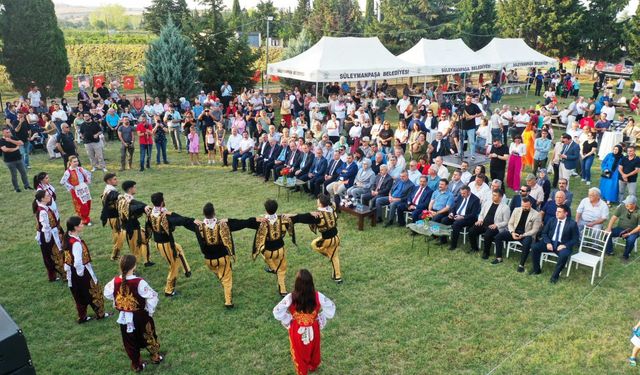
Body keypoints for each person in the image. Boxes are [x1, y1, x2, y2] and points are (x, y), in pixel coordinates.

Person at [103, 255, 163, 372]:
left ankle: (136, 364)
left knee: (129, 341)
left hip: (124, 318)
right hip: (141, 316)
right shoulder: (139, 282)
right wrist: (149, 310)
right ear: (134, 266)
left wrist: (119, 304)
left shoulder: (115, 281)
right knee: (149, 335)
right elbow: (153, 296)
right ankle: (155, 356)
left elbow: (108, 293)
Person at [273, 269, 336, 375]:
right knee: (314, 348)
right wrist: (320, 318)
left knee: (299, 352)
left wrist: (289, 320)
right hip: (313, 327)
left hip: (296, 330)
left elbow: (277, 312)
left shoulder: (290, 297)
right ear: (311, 283)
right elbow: (331, 308)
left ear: (296, 284)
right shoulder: (317, 296)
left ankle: (302, 371)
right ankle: (313, 365)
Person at [183, 203, 243, 308]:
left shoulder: (198, 226)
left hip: (209, 261)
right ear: (214, 212)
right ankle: (228, 302)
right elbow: (241, 224)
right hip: (223, 258)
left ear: (203, 213)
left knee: (220, 274)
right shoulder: (222, 224)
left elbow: (183, 221)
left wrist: (192, 220)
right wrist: (229, 220)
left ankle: (222, 278)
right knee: (227, 279)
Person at [236, 199, 295, 297]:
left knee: (263, 252)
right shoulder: (283, 219)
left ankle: (272, 268)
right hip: (280, 250)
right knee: (281, 270)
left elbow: (244, 223)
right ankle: (283, 290)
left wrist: (253, 218)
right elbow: (298, 217)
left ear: (266, 210)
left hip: (267, 251)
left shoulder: (260, 221)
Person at [62, 216, 110, 323]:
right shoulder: (76, 244)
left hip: (72, 271)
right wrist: (81, 273)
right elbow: (78, 262)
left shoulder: (68, 238)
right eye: (80, 224)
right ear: (75, 227)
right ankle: (101, 314)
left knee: (78, 295)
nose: (82, 225)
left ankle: (82, 317)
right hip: (81, 271)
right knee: (94, 291)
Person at [290, 194, 344, 283]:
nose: (317, 201)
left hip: (327, 240)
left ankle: (338, 277)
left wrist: (288, 216)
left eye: (318, 200)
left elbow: (300, 218)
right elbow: (336, 200)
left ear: (320, 203)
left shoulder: (318, 216)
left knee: (317, 246)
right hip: (336, 237)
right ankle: (336, 274)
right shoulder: (332, 207)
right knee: (331, 255)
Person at [147, 192, 192, 297]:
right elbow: (178, 222)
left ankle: (187, 270)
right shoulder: (164, 215)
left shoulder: (150, 212)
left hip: (160, 242)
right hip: (165, 244)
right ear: (162, 202)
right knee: (174, 266)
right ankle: (168, 290)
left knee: (178, 248)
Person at [529, 204, 579, 283]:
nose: (556, 213)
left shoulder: (572, 224)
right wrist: (548, 242)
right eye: (556, 211)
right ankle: (536, 269)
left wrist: (565, 245)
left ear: (566, 213)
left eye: (559, 212)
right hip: (550, 242)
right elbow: (544, 233)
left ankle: (555, 276)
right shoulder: (552, 220)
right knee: (534, 247)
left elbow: (575, 239)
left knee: (563, 255)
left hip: (563, 245)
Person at [493, 197, 541, 268]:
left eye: (526, 206)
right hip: (515, 231)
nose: (524, 208)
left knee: (527, 243)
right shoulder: (516, 210)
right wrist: (512, 232)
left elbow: (535, 230)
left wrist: (524, 235)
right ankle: (499, 258)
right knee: (498, 237)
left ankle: (521, 265)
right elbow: (510, 223)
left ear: (530, 205)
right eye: (523, 206)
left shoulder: (536, 214)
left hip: (527, 234)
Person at [117, 180, 154, 267]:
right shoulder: (126, 201)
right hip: (131, 229)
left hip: (134, 226)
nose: (135, 189)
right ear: (130, 189)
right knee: (135, 251)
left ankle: (146, 261)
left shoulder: (125, 198)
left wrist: (144, 206)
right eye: (134, 187)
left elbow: (135, 203)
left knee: (145, 240)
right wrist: (143, 207)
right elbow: (133, 208)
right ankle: (132, 271)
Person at [33, 190, 65, 282]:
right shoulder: (42, 211)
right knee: (55, 254)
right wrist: (49, 238)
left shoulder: (44, 208)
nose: (50, 196)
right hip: (49, 236)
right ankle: (64, 274)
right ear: (42, 199)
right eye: (47, 195)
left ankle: (53, 276)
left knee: (52, 254)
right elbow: (45, 226)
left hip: (51, 233)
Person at [605, 196, 640, 261]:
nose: (626, 205)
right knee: (607, 233)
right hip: (620, 228)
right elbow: (613, 218)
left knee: (631, 240)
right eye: (626, 203)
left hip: (633, 231)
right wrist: (609, 228)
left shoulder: (638, 212)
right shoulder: (622, 207)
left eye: (628, 204)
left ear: (634, 204)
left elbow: (639, 228)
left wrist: (629, 234)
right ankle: (609, 251)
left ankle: (625, 256)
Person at [60, 156, 92, 225]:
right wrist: (71, 187)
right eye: (74, 162)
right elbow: (63, 181)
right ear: (70, 162)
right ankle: (84, 219)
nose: (76, 163)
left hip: (84, 188)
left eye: (77, 161)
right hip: (76, 190)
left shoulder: (80, 169)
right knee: (82, 204)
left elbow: (88, 173)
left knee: (88, 202)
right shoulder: (68, 172)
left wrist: (87, 180)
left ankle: (85, 217)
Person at [100, 173, 125, 261]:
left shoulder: (108, 189)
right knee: (119, 236)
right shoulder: (111, 191)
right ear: (108, 181)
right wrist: (121, 196)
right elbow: (114, 196)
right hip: (114, 217)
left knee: (118, 235)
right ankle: (115, 255)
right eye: (114, 179)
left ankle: (116, 254)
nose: (116, 180)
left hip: (112, 217)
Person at [0, 126, 32, 192]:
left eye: (9, 132)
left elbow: (21, 143)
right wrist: (16, 148)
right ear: (3, 133)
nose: (9, 133)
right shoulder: (1, 141)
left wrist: (11, 140)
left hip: (19, 159)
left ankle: (27, 186)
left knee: (23, 173)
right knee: (14, 175)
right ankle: (16, 188)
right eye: (7, 132)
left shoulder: (13, 137)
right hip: (9, 161)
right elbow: (5, 150)